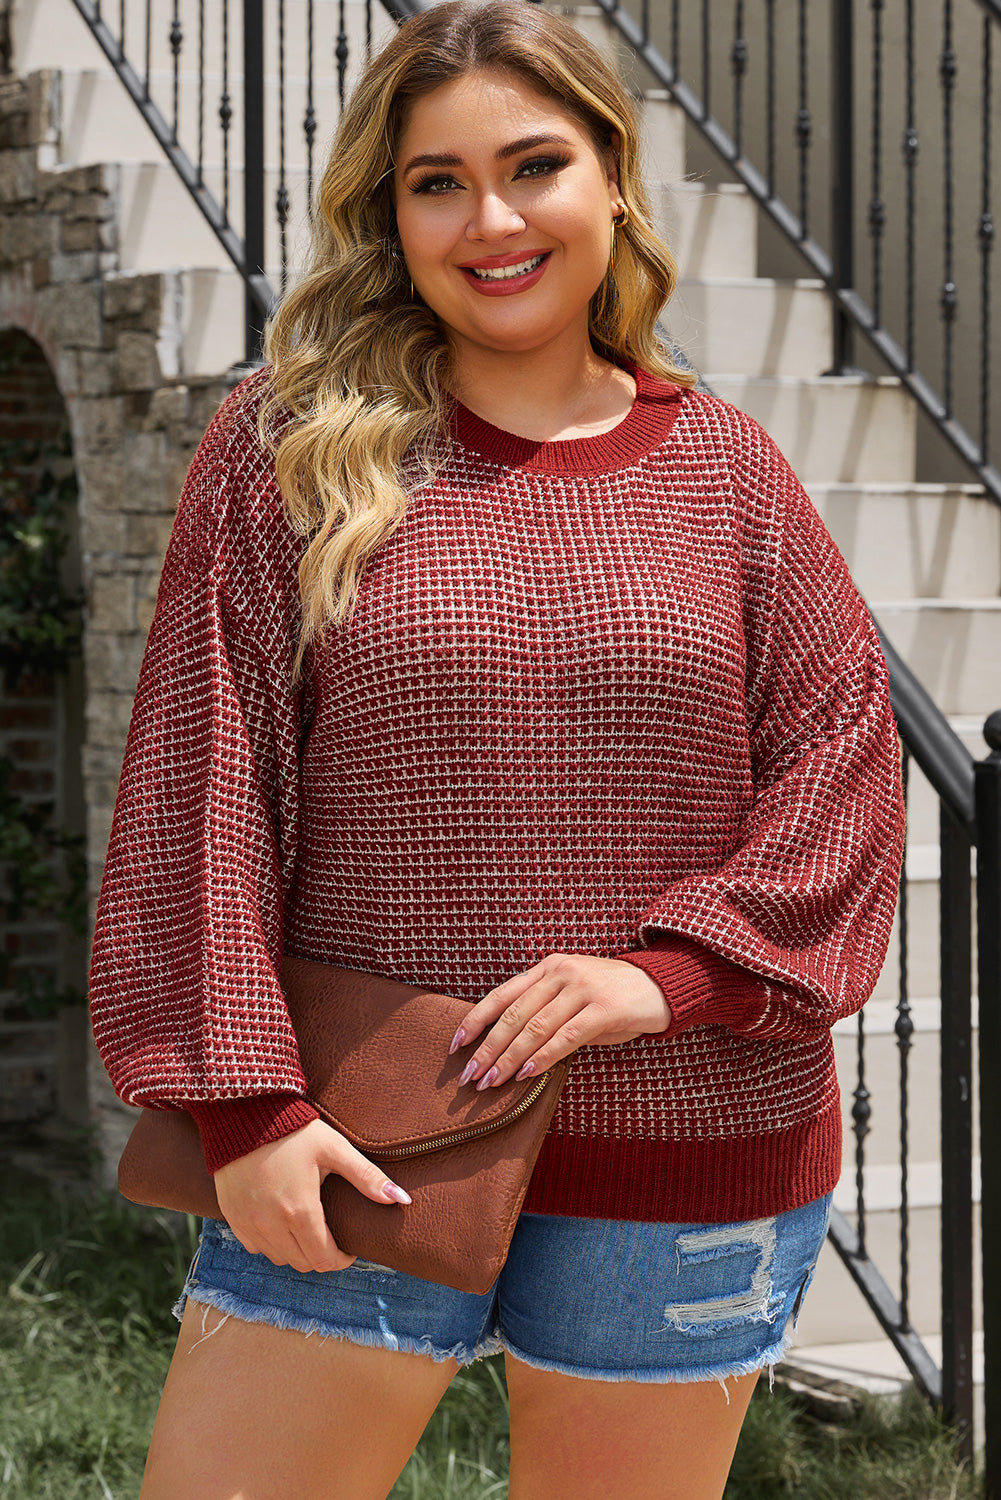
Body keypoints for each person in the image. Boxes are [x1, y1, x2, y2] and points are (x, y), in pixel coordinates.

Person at [88, 3, 906, 1496]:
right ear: (389, 216)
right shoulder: (291, 449)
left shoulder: (729, 472)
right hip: (356, 1139)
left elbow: (841, 766)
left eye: (534, 165)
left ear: (612, 180)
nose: (493, 220)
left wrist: (666, 975)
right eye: (438, 183)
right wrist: (244, 1106)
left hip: (690, 1146)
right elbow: (197, 791)